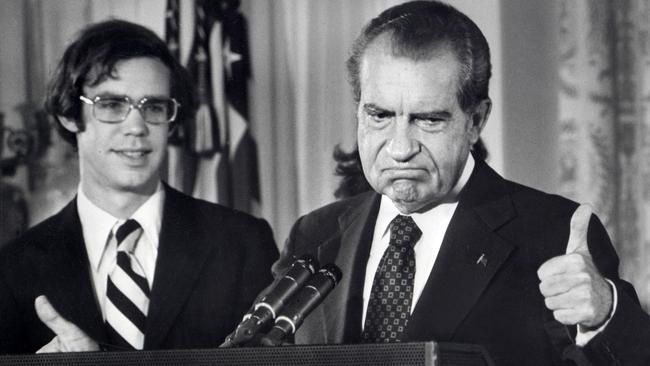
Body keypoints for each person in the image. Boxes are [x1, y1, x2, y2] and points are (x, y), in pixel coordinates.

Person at [273, 1, 650, 365]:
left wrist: (603, 315)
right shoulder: (314, 236)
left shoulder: (553, 236)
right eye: (380, 115)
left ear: (476, 121)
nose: (400, 148)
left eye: (429, 120)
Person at [0, 20, 278, 354]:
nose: (136, 127)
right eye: (112, 105)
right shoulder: (14, 269)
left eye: (154, 107)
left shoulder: (242, 244)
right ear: (69, 115)